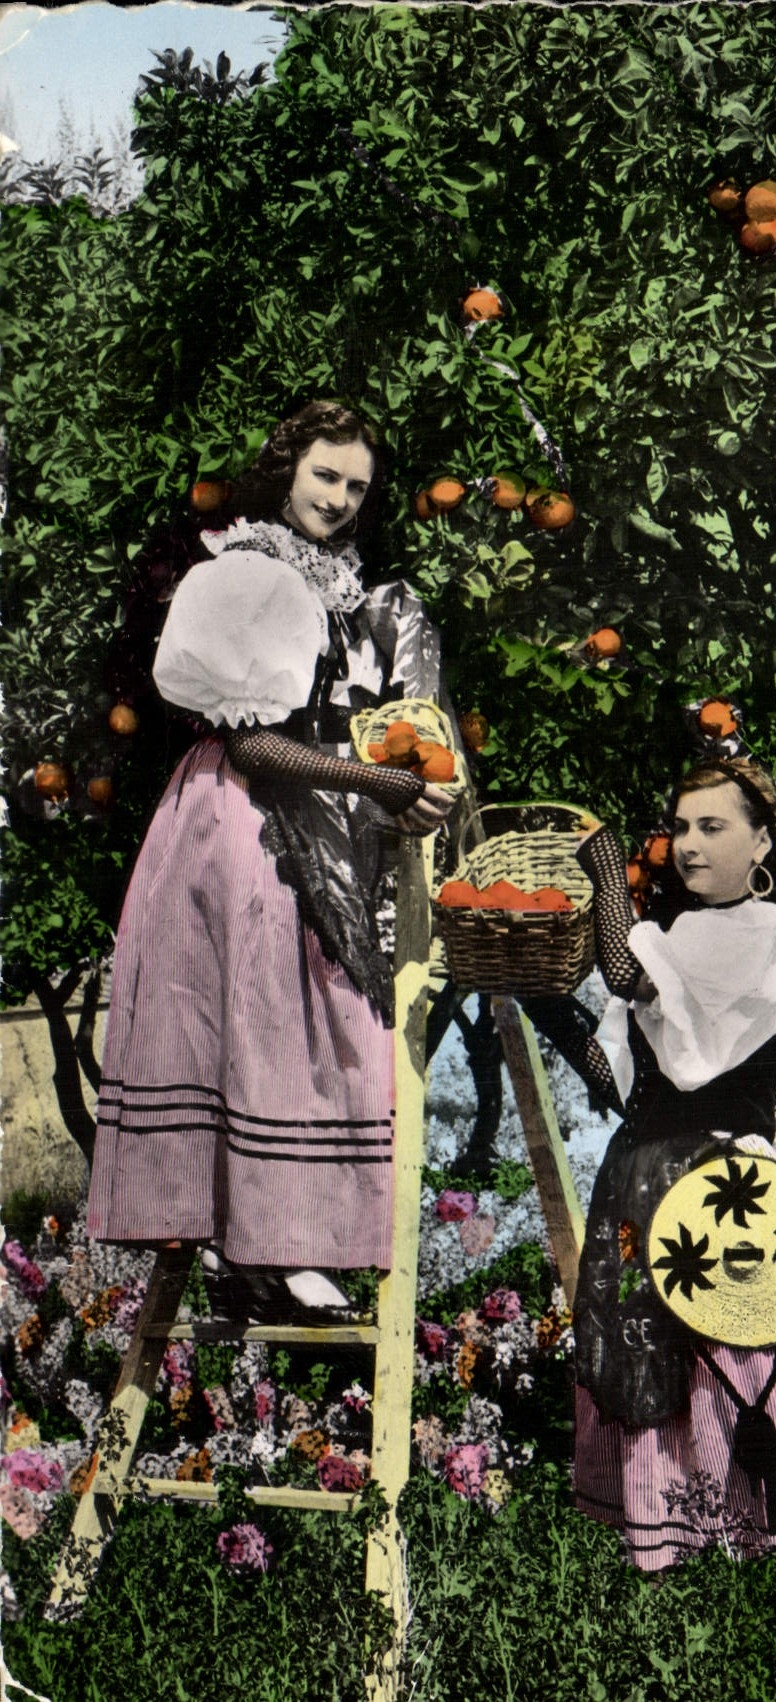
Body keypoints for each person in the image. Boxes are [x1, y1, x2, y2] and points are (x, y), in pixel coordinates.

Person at [86, 401, 454, 1319]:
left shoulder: (336, 580)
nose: (337, 497)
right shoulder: (250, 571)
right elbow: (254, 747)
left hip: (300, 815)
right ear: (288, 470)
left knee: (297, 1016)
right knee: (265, 1014)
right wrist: (372, 783)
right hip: (240, 821)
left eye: (356, 486)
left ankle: (271, 1241)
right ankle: (261, 1245)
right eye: (325, 475)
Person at [572, 758, 776, 1572]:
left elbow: (663, 1022)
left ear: (762, 839)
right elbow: (616, 1073)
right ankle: (680, 1562)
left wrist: (609, 877)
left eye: (711, 826)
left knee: (752, 1360)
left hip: (728, 1197)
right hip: (643, 1184)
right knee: (662, 1376)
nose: (688, 845)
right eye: (681, 827)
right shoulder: (682, 938)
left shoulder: (768, 938)